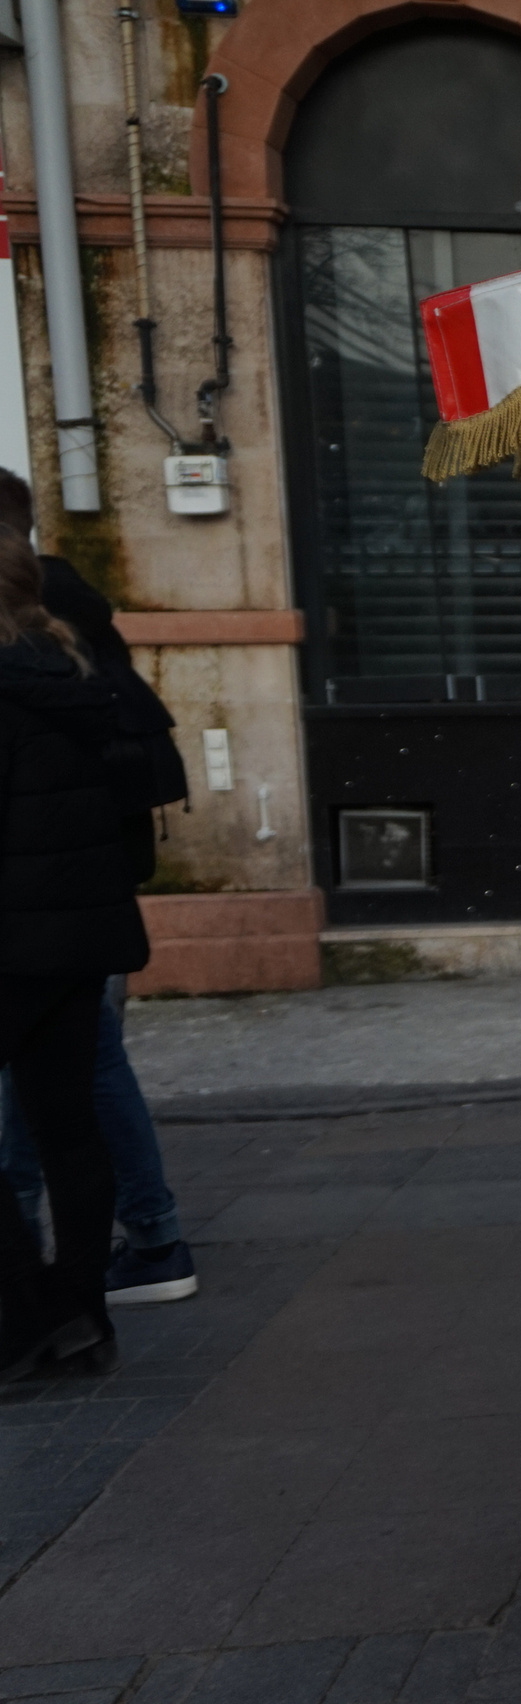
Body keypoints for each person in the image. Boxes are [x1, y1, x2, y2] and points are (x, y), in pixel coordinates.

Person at [0, 472, 196, 1305]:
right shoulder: (67, 649)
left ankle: (81, 1273)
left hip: (32, 917)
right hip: (86, 911)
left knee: (76, 1092)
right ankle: (79, 1305)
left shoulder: (30, 656)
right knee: (65, 1104)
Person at [0, 529, 148, 1381]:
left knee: (64, 1122)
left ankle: (31, 1306)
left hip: (14, 942)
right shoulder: (73, 679)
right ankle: (83, 1308)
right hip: (81, 936)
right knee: (68, 1125)